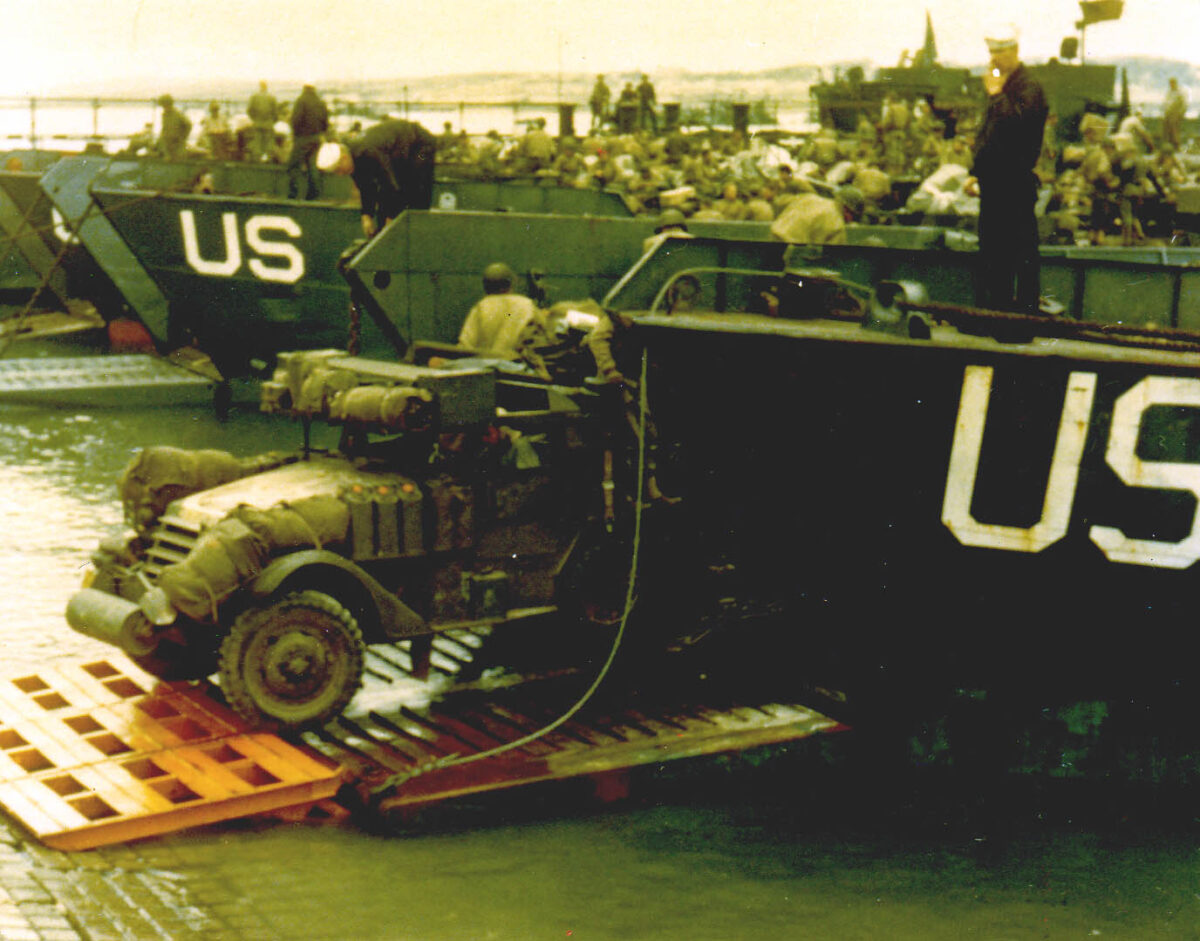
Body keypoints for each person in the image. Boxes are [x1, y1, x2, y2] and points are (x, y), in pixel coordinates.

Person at [966, 23, 1048, 314]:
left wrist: (996, 95)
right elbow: (988, 132)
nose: (994, 59)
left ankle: (1022, 316)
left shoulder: (1028, 87)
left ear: (1014, 51)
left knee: (1019, 253)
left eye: (999, 52)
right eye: (991, 52)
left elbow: (1014, 126)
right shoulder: (1004, 86)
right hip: (994, 182)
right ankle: (994, 312)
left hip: (1014, 183)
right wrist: (975, 171)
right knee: (992, 252)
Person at [319, 118, 436, 237]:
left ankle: (419, 232)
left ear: (344, 158)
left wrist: (390, 219)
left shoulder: (370, 151)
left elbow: (392, 184)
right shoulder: (353, 157)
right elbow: (366, 187)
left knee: (415, 181)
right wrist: (367, 216)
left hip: (421, 146)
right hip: (401, 150)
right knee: (387, 200)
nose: (340, 174)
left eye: (338, 170)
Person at [457, 263, 540, 355]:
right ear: (511, 283)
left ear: (485, 286)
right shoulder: (526, 304)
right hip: (518, 365)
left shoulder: (481, 307)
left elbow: (465, 344)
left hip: (485, 365)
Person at [769, 186, 864, 244]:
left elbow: (780, 203)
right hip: (793, 254)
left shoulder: (809, 198)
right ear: (847, 210)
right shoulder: (837, 224)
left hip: (772, 240)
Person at [286, 84, 329, 200]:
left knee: (293, 165)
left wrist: (296, 134)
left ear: (304, 89)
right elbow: (325, 123)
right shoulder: (321, 102)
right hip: (316, 138)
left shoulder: (301, 101)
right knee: (313, 167)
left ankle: (294, 193)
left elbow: (296, 120)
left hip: (303, 138)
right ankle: (313, 195)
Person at [246, 81, 278, 163]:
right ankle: (268, 160)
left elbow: (249, 110)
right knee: (268, 143)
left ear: (260, 86)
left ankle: (257, 160)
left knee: (257, 142)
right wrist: (273, 120)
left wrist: (254, 118)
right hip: (268, 123)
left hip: (257, 123)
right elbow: (275, 112)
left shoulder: (254, 97)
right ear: (266, 86)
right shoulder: (272, 97)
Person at [154, 95, 191, 160]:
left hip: (177, 143)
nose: (163, 107)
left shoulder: (178, 114)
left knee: (179, 159)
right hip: (166, 142)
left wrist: (183, 137)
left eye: (164, 105)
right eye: (162, 105)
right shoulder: (165, 115)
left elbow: (188, 125)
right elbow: (164, 128)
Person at [1162, 77, 1187, 152]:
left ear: (1175, 83)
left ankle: (1177, 147)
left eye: (1173, 83)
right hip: (1168, 114)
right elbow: (1166, 103)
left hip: (1176, 114)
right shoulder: (1169, 92)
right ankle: (1169, 148)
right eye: (1170, 83)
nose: (1171, 84)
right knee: (1167, 131)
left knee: (1175, 131)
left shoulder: (1180, 92)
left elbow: (1184, 104)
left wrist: (1181, 114)